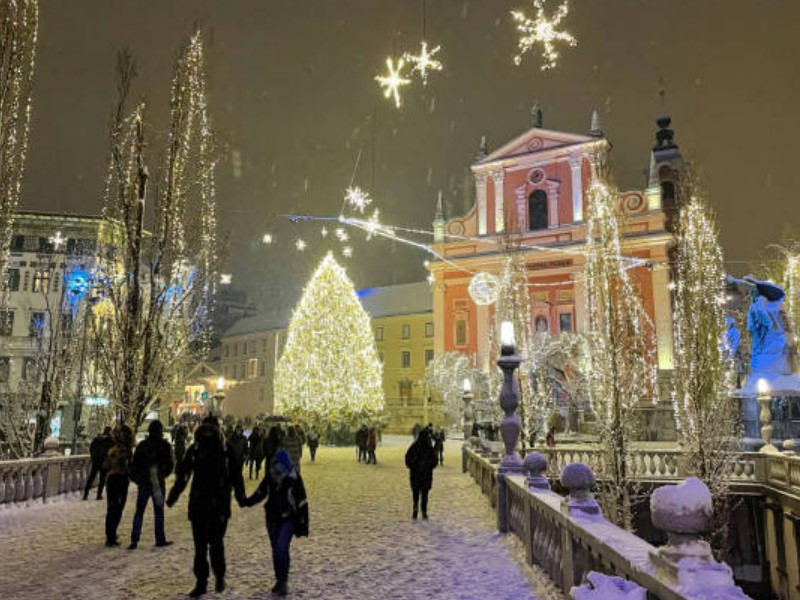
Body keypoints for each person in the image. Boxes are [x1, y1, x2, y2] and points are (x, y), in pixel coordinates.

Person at [167, 416, 247, 598]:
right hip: (202, 504)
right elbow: (184, 473)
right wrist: (174, 494)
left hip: (216, 504)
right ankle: (203, 582)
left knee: (214, 544)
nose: (208, 434)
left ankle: (217, 576)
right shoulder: (197, 449)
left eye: (211, 430)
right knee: (201, 547)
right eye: (206, 430)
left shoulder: (223, 450)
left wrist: (241, 496)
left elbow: (236, 475)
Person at [242, 449, 309, 597]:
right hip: (272, 518)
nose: (277, 467)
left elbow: (302, 502)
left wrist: (304, 523)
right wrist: (247, 502)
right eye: (276, 463)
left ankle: (283, 581)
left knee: (281, 548)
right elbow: (261, 493)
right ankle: (279, 580)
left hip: (288, 519)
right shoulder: (271, 476)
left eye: (280, 464)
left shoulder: (294, 478)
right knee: (276, 550)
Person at [129, 420, 174, 549]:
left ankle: (134, 539)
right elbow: (170, 464)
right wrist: (161, 474)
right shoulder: (164, 446)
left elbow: (134, 465)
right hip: (157, 482)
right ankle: (160, 538)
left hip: (144, 482)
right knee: (158, 511)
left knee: (139, 511)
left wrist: (138, 479)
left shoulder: (142, 446)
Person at [104, 424, 135, 547]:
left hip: (112, 479)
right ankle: (111, 536)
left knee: (112, 508)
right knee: (117, 509)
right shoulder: (125, 451)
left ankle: (110, 534)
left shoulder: (112, 449)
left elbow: (106, 465)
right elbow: (128, 467)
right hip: (120, 479)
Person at [405, 428, 438, 520]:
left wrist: (413, 465)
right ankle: (424, 511)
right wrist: (429, 466)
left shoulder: (414, 446)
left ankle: (415, 509)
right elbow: (435, 461)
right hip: (426, 475)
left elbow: (407, 459)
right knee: (424, 495)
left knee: (415, 494)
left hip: (415, 475)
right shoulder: (429, 448)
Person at [84, 426, 113, 501]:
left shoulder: (97, 439)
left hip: (96, 461)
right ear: (110, 431)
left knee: (91, 477)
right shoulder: (110, 440)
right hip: (104, 462)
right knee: (102, 479)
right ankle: (99, 495)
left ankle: (86, 493)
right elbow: (112, 452)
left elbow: (91, 448)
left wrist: (93, 457)